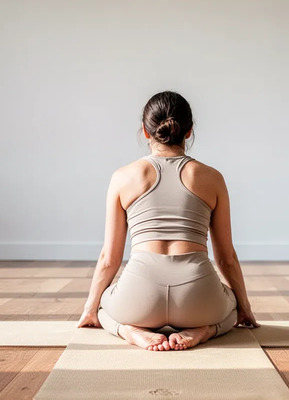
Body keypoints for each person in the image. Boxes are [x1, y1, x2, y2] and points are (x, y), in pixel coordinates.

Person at [77, 91, 259, 351]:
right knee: (232, 310)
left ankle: (129, 331)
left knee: (104, 307)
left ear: (145, 131)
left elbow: (109, 258)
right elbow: (226, 257)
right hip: (198, 297)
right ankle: (205, 330)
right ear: (189, 131)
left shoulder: (123, 176)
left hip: (140, 297)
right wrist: (245, 307)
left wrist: (90, 309)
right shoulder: (212, 177)